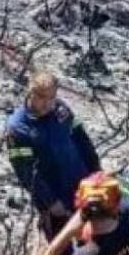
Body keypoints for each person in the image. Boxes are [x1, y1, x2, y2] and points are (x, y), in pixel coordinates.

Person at [5, 71, 102, 241]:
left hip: (83, 186)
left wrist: (97, 172)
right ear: (30, 93)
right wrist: (51, 202)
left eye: (52, 97)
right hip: (55, 198)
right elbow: (26, 173)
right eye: (42, 97)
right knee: (62, 247)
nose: (47, 104)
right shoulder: (17, 128)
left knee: (95, 239)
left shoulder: (60, 110)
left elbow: (82, 140)